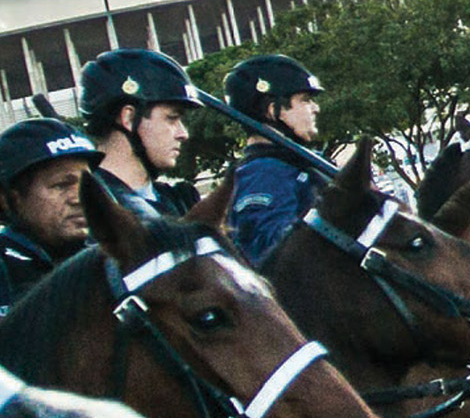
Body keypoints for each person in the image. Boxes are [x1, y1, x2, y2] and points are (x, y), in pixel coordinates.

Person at [0, 118, 101, 321]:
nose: (80, 198)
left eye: (87, 184)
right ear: (9, 200)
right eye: (61, 185)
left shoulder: (106, 260)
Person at [225, 53, 327, 266]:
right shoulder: (263, 173)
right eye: (306, 100)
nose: (315, 108)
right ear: (274, 110)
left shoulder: (299, 165)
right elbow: (277, 260)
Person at [80, 47, 202, 219]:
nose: (183, 134)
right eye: (172, 118)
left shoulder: (181, 201)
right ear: (129, 118)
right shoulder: (86, 215)